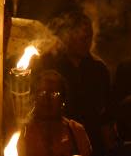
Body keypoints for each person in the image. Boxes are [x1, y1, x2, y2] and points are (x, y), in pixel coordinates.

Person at [36, 11, 112, 155]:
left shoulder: (98, 69)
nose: (87, 43)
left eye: (89, 37)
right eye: (82, 38)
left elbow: (106, 111)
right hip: (59, 137)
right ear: (68, 36)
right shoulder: (52, 66)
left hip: (91, 138)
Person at [17, 70, 92, 156]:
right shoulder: (24, 132)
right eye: (42, 93)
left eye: (54, 94)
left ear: (63, 99)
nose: (47, 98)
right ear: (34, 97)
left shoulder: (75, 131)